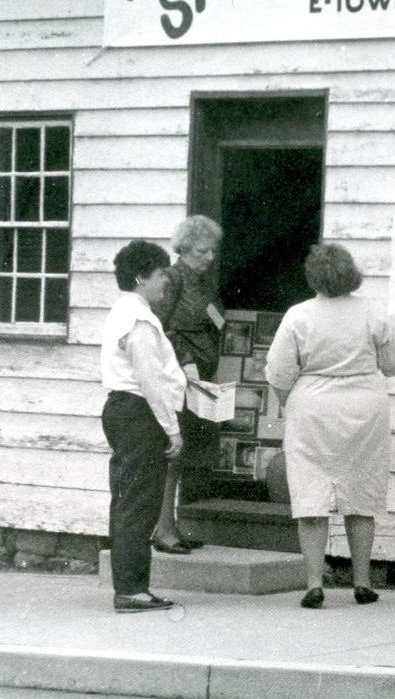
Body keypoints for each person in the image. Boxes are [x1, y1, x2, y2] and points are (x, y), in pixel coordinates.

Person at [265, 243, 395, 609]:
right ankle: (362, 581)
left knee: (311, 495)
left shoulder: (298, 315)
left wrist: (289, 400)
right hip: (364, 406)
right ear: (351, 273)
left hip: (313, 407)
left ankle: (314, 583)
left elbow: (279, 371)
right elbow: (392, 366)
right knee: (361, 493)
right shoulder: (372, 313)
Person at [100, 240, 186, 613]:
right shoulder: (140, 320)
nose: (166, 281)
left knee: (126, 497)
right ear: (140, 278)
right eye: (160, 274)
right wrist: (172, 428)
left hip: (123, 409)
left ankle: (130, 586)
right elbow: (150, 379)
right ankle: (132, 590)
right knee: (139, 502)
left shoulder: (123, 312)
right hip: (139, 412)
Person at [152, 215, 225, 553]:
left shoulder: (201, 283)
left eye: (211, 251)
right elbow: (159, 331)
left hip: (199, 383)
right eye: (201, 251)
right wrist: (185, 360)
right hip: (179, 381)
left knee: (187, 456)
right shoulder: (172, 280)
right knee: (173, 454)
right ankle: (163, 530)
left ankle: (173, 525)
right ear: (183, 249)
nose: (209, 258)